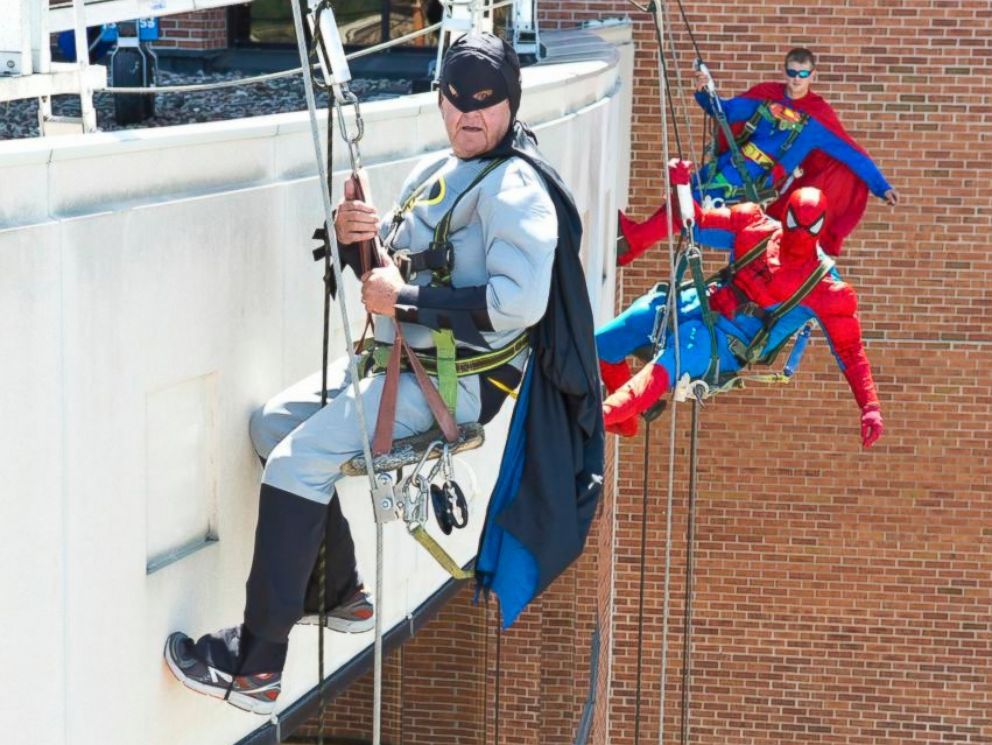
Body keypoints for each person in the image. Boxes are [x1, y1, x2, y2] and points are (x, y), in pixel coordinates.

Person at [163, 32, 605, 715]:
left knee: (293, 461)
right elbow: (384, 274)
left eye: (486, 104)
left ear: (512, 105)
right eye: (457, 101)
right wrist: (357, 237)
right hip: (398, 361)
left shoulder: (516, 189)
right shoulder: (437, 172)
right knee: (270, 424)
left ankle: (255, 665)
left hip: (449, 384)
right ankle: (338, 591)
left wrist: (406, 298)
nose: (470, 115)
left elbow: (517, 306)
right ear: (440, 102)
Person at [598, 182, 885, 450]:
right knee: (607, 341)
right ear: (786, 216)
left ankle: (600, 416)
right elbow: (695, 224)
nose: (800, 234)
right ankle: (624, 419)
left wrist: (869, 405)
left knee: (667, 366)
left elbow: (850, 351)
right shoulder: (753, 226)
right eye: (796, 223)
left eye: (809, 228)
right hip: (697, 300)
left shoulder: (827, 288)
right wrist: (682, 186)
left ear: (821, 228)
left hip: (725, 343)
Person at [617, 47, 899, 262]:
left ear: (813, 75)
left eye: (802, 74)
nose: (796, 79)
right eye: (791, 72)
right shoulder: (768, 94)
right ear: (784, 70)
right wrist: (705, 93)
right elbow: (725, 112)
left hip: (754, 178)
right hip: (732, 163)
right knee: (685, 196)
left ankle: (635, 239)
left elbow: (851, 153)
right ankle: (634, 243)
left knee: (688, 205)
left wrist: (881, 186)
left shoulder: (818, 117)